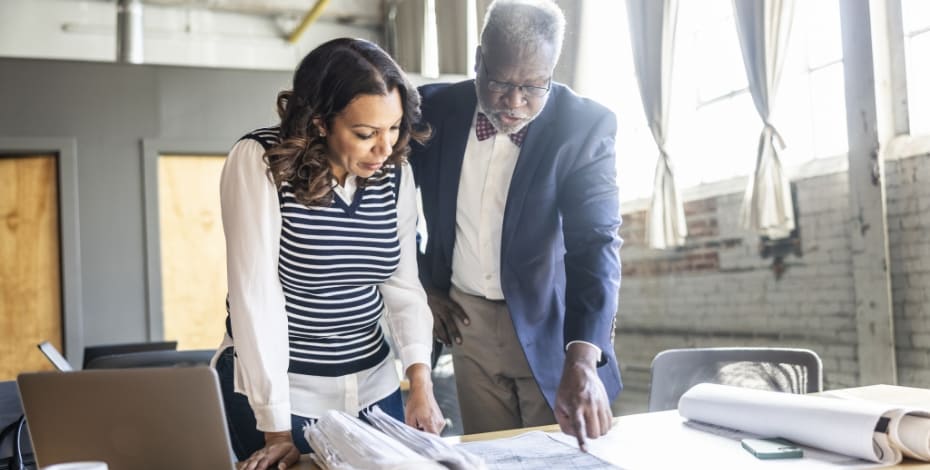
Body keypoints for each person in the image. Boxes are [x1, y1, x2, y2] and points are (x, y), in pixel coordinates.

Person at [214, 37, 444, 470]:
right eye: (365, 133)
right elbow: (255, 299)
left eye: (393, 128)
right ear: (320, 122)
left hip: (374, 386)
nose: (385, 148)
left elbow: (403, 287)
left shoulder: (395, 172)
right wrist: (276, 428)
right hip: (284, 389)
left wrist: (419, 379)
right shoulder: (259, 161)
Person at [409, 0, 622, 450]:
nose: (514, 101)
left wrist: (583, 358)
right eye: (500, 82)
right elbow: (384, 205)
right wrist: (420, 287)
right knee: (489, 453)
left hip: (551, 325)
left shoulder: (584, 126)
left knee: (560, 454)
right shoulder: (431, 110)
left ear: (553, 71)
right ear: (478, 61)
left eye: (532, 87)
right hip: (466, 324)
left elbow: (596, 243)